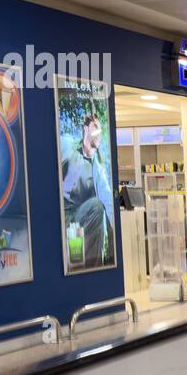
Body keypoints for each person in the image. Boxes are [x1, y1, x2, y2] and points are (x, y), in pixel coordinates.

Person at [61, 113, 115, 268]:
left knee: (98, 207)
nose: (99, 133)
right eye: (95, 127)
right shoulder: (68, 147)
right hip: (64, 216)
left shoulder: (98, 168)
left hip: (81, 219)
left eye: (101, 130)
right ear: (85, 128)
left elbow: (108, 201)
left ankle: (93, 269)